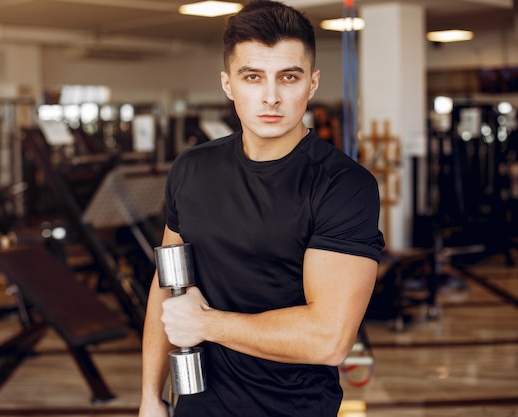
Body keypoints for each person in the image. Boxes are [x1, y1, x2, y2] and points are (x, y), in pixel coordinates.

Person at [138, 1, 385, 416]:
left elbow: (328, 339)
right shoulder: (192, 168)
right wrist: (150, 395)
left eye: (288, 77)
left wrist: (206, 324)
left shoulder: (343, 185)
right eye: (252, 77)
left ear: (312, 83)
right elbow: (167, 285)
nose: (271, 96)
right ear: (228, 84)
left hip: (292, 409)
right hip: (196, 405)